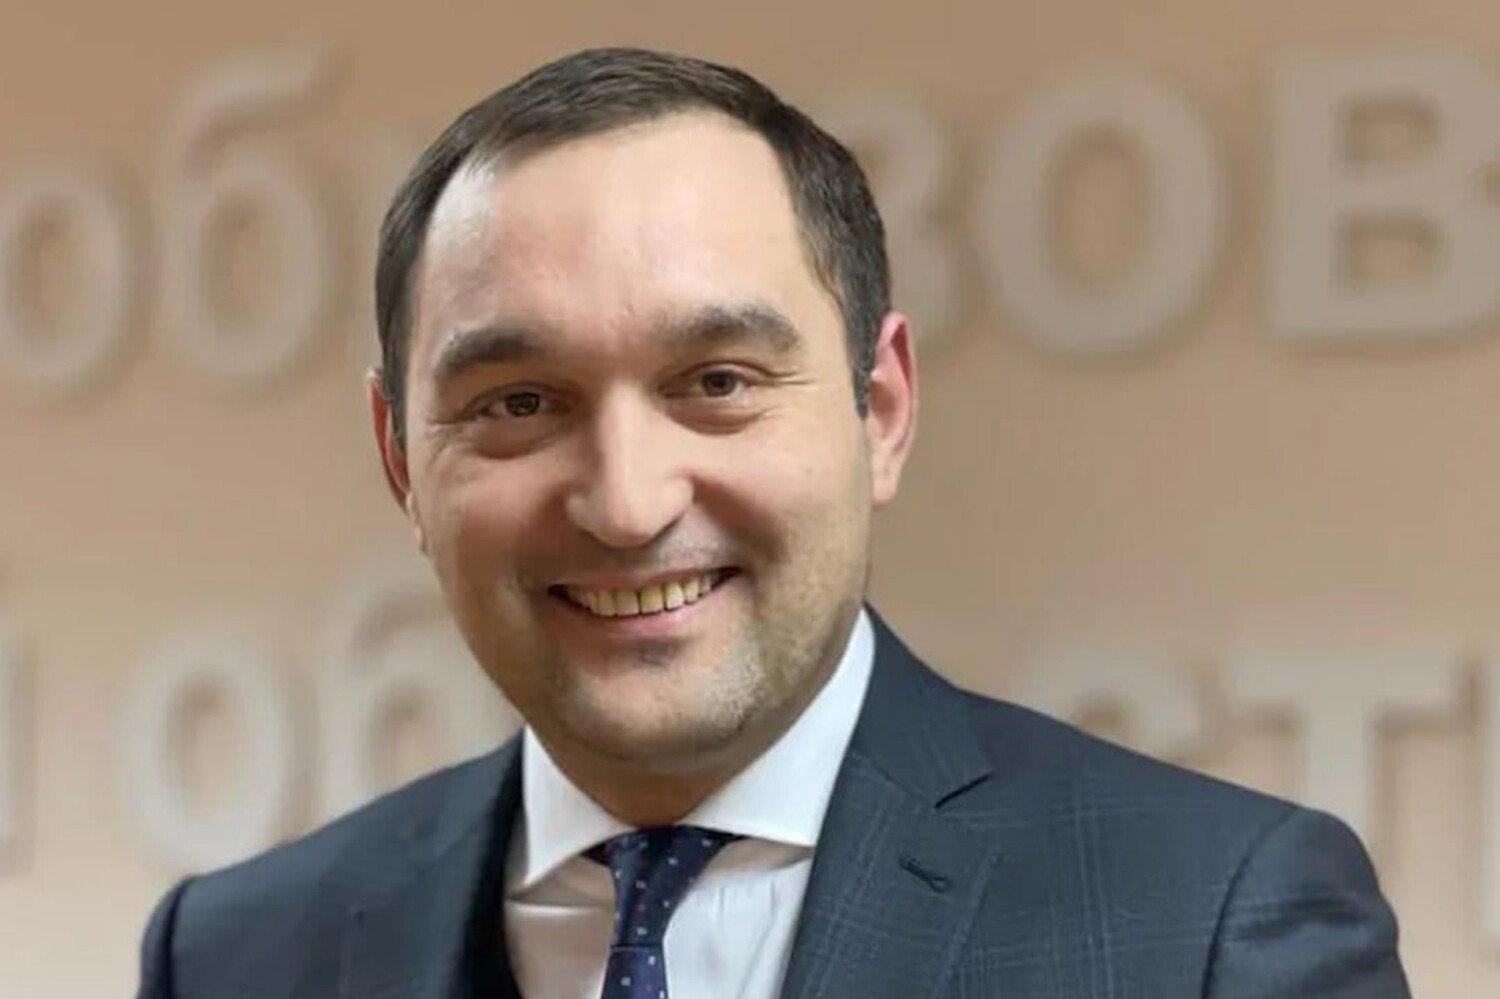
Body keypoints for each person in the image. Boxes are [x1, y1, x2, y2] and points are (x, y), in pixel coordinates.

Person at [135, 47, 1411, 998]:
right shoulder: (235, 956)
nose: (627, 502)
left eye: (718, 383)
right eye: (519, 403)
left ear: (881, 410)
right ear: (400, 461)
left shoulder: (1214, 926)